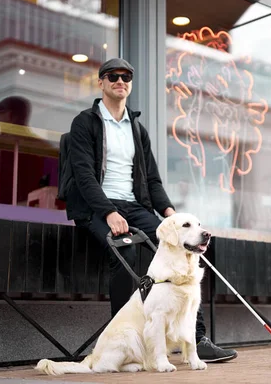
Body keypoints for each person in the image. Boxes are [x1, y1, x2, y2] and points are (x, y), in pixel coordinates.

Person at [63, 57, 237, 363]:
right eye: (113, 76)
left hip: (134, 206)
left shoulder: (137, 129)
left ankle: (196, 339)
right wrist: (107, 212)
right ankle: (125, 339)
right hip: (98, 208)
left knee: (186, 247)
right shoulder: (85, 123)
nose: (120, 81)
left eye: (126, 76)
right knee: (126, 253)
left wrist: (171, 215)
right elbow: (83, 175)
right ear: (101, 82)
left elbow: (152, 180)